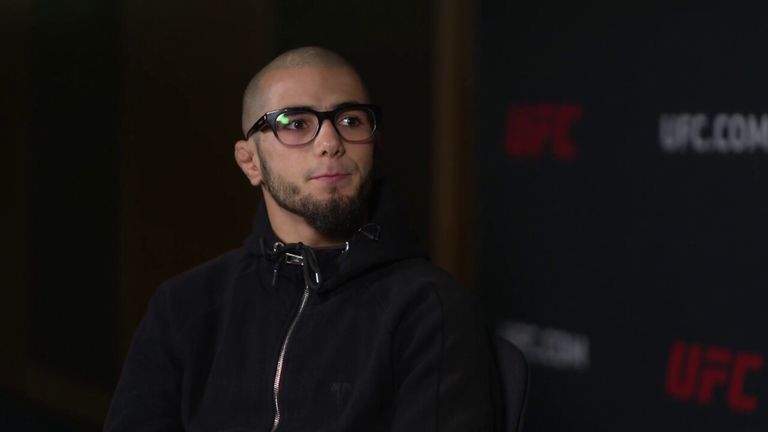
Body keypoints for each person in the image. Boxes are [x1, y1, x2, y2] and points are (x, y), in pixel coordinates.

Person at [104, 46, 501, 431]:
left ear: (374, 144)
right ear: (250, 162)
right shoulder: (184, 306)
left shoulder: (431, 310)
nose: (330, 142)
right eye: (296, 124)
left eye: (351, 120)